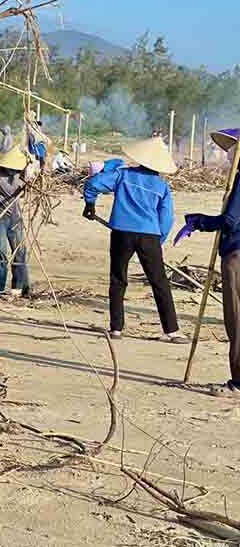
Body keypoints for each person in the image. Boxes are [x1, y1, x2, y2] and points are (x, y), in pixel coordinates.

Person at [83, 137, 182, 342]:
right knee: (160, 282)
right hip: (150, 236)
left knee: (118, 279)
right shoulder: (162, 187)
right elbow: (167, 219)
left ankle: (116, 329)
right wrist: (158, 241)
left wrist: (90, 204)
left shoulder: (123, 175)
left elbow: (94, 183)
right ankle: (172, 331)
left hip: (121, 232)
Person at [178, 128, 240, 396]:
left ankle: (238, 382)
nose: (228, 155)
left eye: (233, 150)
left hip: (238, 255)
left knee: (237, 319)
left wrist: (200, 221)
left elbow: (231, 221)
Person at [0, 146, 32, 297]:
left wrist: (28, 187)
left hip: (16, 219)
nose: (14, 172)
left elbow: (24, 193)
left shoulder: (21, 176)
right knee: (1, 253)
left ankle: (20, 287)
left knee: (20, 252)